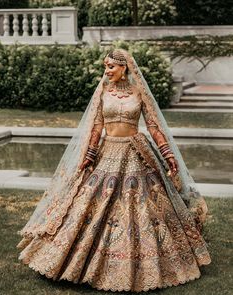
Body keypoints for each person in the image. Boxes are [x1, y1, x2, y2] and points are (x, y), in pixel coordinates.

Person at [17, 49, 211, 292]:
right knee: (91, 205)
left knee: (144, 207)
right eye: (105, 67)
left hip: (135, 153)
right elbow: (97, 127)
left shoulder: (139, 92)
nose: (106, 71)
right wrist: (88, 156)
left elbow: (153, 126)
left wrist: (168, 154)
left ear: (124, 68)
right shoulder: (103, 92)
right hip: (107, 153)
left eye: (110, 67)